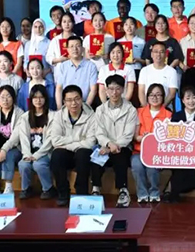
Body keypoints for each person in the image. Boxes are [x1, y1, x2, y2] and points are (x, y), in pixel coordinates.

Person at [90, 74, 138, 205]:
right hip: (104, 145)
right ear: (106, 90)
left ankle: (123, 191)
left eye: (117, 88)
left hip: (123, 146)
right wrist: (108, 144)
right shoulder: (100, 110)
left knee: (120, 156)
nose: (114, 92)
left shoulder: (131, 110)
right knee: (96, 156)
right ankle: (95, 189)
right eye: (111, 89)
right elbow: (99, 132)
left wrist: (114, 146)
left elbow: (128, 135)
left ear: (123, 89)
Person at [48, 84, 95, 207]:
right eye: (69, 100)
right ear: (64, 102)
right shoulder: (58, 115)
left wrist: (67, 144)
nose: (73, 103)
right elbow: (55, 140)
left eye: (76, 99)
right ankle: (63, 192)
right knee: (57, 155)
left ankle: (81, 193)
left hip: (82, 153)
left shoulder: (91, 115)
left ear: (82, 99)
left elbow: (90, 142)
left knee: (83, 154)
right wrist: (77, 140)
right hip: (67, 153)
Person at [165, 87, 195, 202]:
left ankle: (170, 189)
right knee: (180, 167)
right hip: (179, 155)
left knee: (190, 174)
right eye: (188, 98)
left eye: (194, 97)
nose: (191, 101)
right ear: (183, 100)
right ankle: (173, 192)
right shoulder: (176, 117)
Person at [16, 84, 55, 200]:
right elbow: (23, 137)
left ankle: (48, 189)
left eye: (41, 97)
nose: (38, 100)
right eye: (35, 97)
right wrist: (27, 154)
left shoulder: (53, 116)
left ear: (45, 99)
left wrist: (37, 155)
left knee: (38, 164)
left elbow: (51, 139)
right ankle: (26, 189)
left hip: (46, 152)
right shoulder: (25, 117)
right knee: (23, 164)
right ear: (31, 99)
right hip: (29, 152)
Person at [0, 86, 23, 195]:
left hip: (14, 147)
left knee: (8, 156)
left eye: (8, 96)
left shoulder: (20, 113)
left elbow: (16, 136)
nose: (5, 100)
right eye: (2, 97)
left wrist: (4, 149)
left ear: (13, 98)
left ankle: (8, 186)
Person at [54, 36, 99, 108]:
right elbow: (59, 88)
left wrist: (85, 108)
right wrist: (59, 108)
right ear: (67, 49)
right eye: (71, 46)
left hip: (85, 104)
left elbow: (93, 90)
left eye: (78, 46)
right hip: (67, 105)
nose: (75, 49)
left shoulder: (91, 66)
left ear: (82, 48)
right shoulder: (63, 66)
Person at [138, 41, 179, 110]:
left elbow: (172, 93)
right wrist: (146, 109)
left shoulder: (172, 71)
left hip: (166, 109)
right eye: (156, 52)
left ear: (165, 54)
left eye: (161, 52)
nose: (158, 54)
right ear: (151, 54)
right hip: (147, 109)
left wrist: (160, 109)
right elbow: (141, 91)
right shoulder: (144, 70)